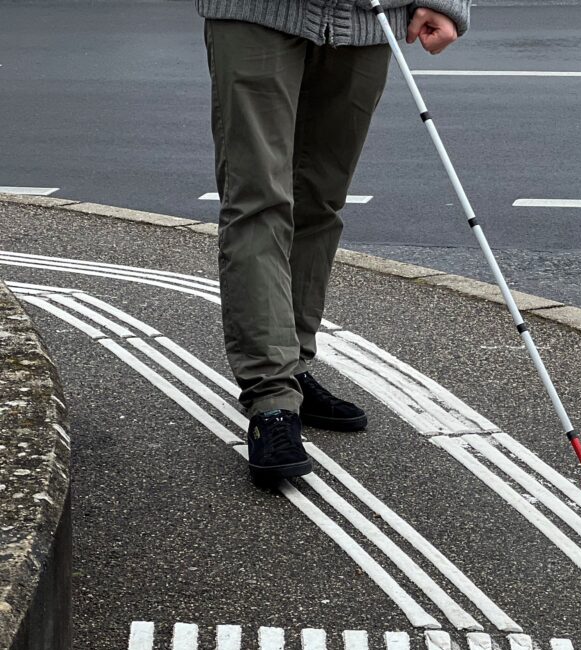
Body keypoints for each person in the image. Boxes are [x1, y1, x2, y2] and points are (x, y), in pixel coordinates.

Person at [198, 0, 469, 484]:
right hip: (254, 13)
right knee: (258, 202)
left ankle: (293, 363)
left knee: (320, 200)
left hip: (367, 19)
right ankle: (272, 399)